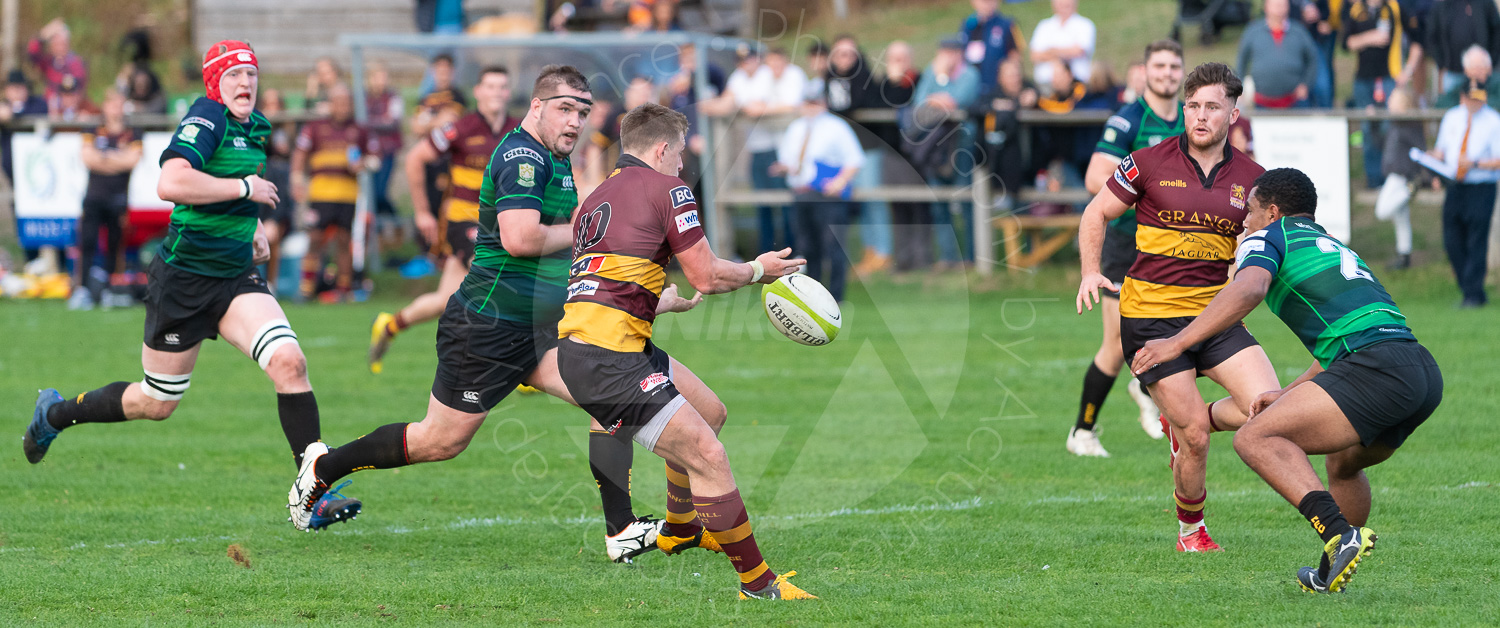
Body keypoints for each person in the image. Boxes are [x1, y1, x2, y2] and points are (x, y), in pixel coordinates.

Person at [286, 67, 669, 566]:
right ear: (537, 106)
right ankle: (321, 469)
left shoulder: (556, 158)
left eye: (582, 111)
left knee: (609, 399)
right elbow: (521, 239)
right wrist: (581, 230)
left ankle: (621, 530)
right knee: (438, 441)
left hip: (541, 327)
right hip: (487, 329)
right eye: (565, 109)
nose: (575, 121)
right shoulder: (522, 157)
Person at [25, 40, 360, 529]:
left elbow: (241, 187)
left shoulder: (255, 127)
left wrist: (255, 226)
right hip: (183, 281)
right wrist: (244, 190)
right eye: (233, 76)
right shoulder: (207, 117)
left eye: (251, 74)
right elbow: (173, 182)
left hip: (235, 279)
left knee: (290, 362)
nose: (245, 83)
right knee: (156, 402)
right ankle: (54, 415)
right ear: (214, 84)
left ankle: (310, 496)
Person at [1131, 167, 1442, 594]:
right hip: (1419, 371)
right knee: (1344, 464)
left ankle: (1339, 532)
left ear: (1273, 212)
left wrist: (1176, 343)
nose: (1244, 221)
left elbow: (1250, 289)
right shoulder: (1330, 245)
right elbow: (1338, 343)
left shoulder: (1270, 236)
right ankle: (1330, 567)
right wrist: (1286, 395)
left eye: (1251, 211)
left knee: (1254, 439)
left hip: (1373, 368)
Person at [557, 101, 813, 600]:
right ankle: (759, 586)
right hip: (609, 358)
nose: (682, 166)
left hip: (601, 344)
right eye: (679, 155)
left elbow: (601, 282)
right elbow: (709, 275)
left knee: (709, 412)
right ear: (661, 149)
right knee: (708, 456)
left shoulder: (595, 198)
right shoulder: (668, 188)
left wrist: (658, 302)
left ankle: (682, 528)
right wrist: (759, 269)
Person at [1076, 62, 1279, 552]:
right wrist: (1089, 270)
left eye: (1212, 107)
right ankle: (1191, 532)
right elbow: (1095, 211)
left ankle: (1188, 415)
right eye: (1193, 106)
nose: (1200, 116)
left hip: (1215, 318)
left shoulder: (1255, 180)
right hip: (1150, 318)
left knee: (1273, 410)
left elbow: (1265, 246)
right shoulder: (1146, 162)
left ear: (1234, 111)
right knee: (1197, 438)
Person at [1067, 39, 1185, 458]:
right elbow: (1094, 177)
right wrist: (1150, 196)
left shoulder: (1192, 121)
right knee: (1116, 344)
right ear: (1145, 71)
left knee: (1186, 331)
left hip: (1173, 246)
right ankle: (1083, 431)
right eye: (1159, 66)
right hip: (1126, 243)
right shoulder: (1129, 119)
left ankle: (1147, 388)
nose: (1167, 73)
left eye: (1174, 66)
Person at [369, 66, 519, 373]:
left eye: (501, 87)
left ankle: (390, 325)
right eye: (489, 86)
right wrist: (423, 211)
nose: (495, 93)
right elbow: (415, 158)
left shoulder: (519, 131)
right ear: (477, 92)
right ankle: (514, 364)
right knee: (493, 275)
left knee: (444, 300)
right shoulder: (460, 127)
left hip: (498, 225)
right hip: (462, 222)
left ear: (507, 93)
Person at [773, 87, 863, 302]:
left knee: (833, 247)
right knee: (807, 247)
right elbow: (789, 159)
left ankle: (836, 296)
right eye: (807, 102)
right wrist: (785, 168)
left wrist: (840, 181)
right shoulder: (796, 128)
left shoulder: (836, 127)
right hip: (802, 193)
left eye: (814, 102)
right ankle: (812, 296)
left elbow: (854, 159)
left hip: (827, 196)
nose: (810, 107)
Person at [291, 83, 377, 303]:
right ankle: (306, 288)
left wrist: (364, 164)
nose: (343, 107)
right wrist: (296, 178)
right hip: (320, 193)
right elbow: (300, 153)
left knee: (343, 239)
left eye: (347, 102)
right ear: (330, 104)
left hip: (348, 194)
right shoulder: (315, 127)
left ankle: (343, 288)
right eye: (338, 102)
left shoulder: (359, 129)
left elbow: (375, 158)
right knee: (315, 239)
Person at [1430, 71, 1500, 308]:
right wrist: (1433, 162)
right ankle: (1469, 288)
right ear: (1462, 97)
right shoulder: (1452, 117)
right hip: (1455, 185)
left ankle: (1473, 293)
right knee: (1452, 239)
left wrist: (1475, 163)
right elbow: (1442, 149)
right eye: (1471, 98)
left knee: (1476, 239)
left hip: (1481, 185)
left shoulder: (1493, 121)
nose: (1475, 104)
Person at [910, 38, 981, 269]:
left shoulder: (969, 74)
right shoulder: (932, 72)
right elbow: (919, 103)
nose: (949, 57)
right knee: (938, 201)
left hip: (962, 144)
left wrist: (938, 91)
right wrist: (939, 82)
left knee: (966, 200)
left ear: (960, 54)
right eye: (945, 51)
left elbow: (956, 101)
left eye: (953, 52)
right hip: (934, 146)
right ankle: (948, 257)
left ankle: (972, 256)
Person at [71, 90, 144, 311]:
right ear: (105, 106)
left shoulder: (133, 132)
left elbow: (132, 160)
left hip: (118, 199)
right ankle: (82, 289)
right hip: (94, 197)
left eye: (119, 103)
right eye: (112, 103)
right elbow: (88, 158)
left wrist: (103, 158)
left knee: (115, 245)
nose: (116, 108)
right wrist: (116, 158)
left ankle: (110, 289)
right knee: (88, 243)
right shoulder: (92, 129)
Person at [1342, 0, 1409, 188]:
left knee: (1389, 128)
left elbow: (1416, 39)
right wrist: (1370, 38)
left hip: (1389, 77)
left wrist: (1407, 70)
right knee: (1367, 128)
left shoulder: (1394, 8)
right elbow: (1346, 43)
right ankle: (1373, 179)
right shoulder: (1356, 10)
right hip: (1364, 79)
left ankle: (1391, 176)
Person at [1374, 87, 1424, 270]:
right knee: (1401, 219)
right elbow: (1379, 143)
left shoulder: (1410, 125)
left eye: (1393, 99)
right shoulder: (1394, 124)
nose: (1389, 102)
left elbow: (1420, 150)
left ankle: (1410, 190)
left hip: (1402, 177)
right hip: (1394, 174)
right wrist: (1373, 123)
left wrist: (1425, 175)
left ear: (1404, 105)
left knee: (1382, 211)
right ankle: (1404, 256)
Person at [1237, 0, 1319, 109]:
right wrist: (1239, 88)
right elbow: (1241, 61)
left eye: (1283, 4)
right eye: (1276, 5)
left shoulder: (1299, 32)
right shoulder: (1253, 31)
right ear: (1266, 7)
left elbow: (1313, 59)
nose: (1279, 8)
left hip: (1294, 103)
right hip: (1260, 103)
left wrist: (1306, 84)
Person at [364, 61, 405, 254]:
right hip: (369, 152)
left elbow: (393, 122)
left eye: (384, 76)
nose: (381, 81)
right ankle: (378, 233)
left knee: (380, 192)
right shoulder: (364, 97)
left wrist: (369, 122)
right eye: (377, 76)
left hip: (387, 151)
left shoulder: (393, 97)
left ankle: (396, 224)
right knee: (370, 194)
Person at [259, 88, 296, 293]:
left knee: (272, 234)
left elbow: (282, 198)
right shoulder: (252, 135)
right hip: (254, 209)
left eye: (276, 105)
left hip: (277, 207)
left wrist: (274, 219)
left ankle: (270, 286)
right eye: (268, 105)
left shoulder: (285, 136)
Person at [1425, 0, 1500, 92]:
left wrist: (1492, 61)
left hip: (1482, 73)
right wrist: (1442, 63)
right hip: (1452, 71)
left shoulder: (1485, 2)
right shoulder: (1443, 5)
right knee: (1451, 102)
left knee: (1481, 103)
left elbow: (1496, 32)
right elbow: (1432, 36)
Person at [960, 0, 1026, 93]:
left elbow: (1015, 55)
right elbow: (961, 52)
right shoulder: (968, 24)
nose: (987, 4)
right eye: (983, 2)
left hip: (998, 86)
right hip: (973, 85)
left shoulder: (1007, 24)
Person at [1029, 0, 1096, 88]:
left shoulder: (1085, 25)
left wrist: (1051, 51)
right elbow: (1035, 55)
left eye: (1067, 3)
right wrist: (1062, 54)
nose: (1064, 5)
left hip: (1077, 83)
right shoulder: (1044, 26)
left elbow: (1078, 51)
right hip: (1045, 84)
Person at [27, 18, 87, 111]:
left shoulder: (76, 63)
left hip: (70, 109)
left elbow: (78, 88)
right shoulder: (48, 62)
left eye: (62, 43)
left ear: (67, 44)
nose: (59, 47)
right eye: (56, 43)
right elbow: (33, 53)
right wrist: (43, 34)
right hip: (49, 109)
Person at [1, 70, 49, 184]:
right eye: (13, 87)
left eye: (20, 87)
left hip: (35, 161)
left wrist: (13, 113)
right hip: (11, 164)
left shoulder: (37, 103)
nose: (17, 91)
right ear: (7, 90)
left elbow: (39, 111)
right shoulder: (4, 105)